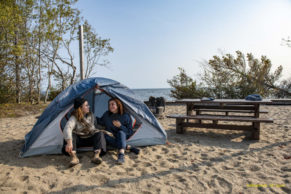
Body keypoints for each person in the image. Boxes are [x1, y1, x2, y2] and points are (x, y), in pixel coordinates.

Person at [63, 97, 106, 167]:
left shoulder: (91, 115)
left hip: (89, 137)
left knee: (99, 133)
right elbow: (67, 128)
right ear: (80, 108)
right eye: (86, 105)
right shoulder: (74, 117)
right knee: (71, 135)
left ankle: (96, 156)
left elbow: (95, 127)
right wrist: (69, 143)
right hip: (79, 140)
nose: (88, 106)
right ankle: (74, 157)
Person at [96, 98, 140, 164]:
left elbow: (129, 132)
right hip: (111, 137)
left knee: (121, 132)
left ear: (118, 105)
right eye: (109, 104)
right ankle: (128, 147)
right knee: (104, 135)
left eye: (113, 104)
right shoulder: (106, 114)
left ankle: (121, 155)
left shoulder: (125, 116)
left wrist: (120, 126)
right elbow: (100, 121)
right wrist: (91, 117)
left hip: (122, 136)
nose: (110, 106)